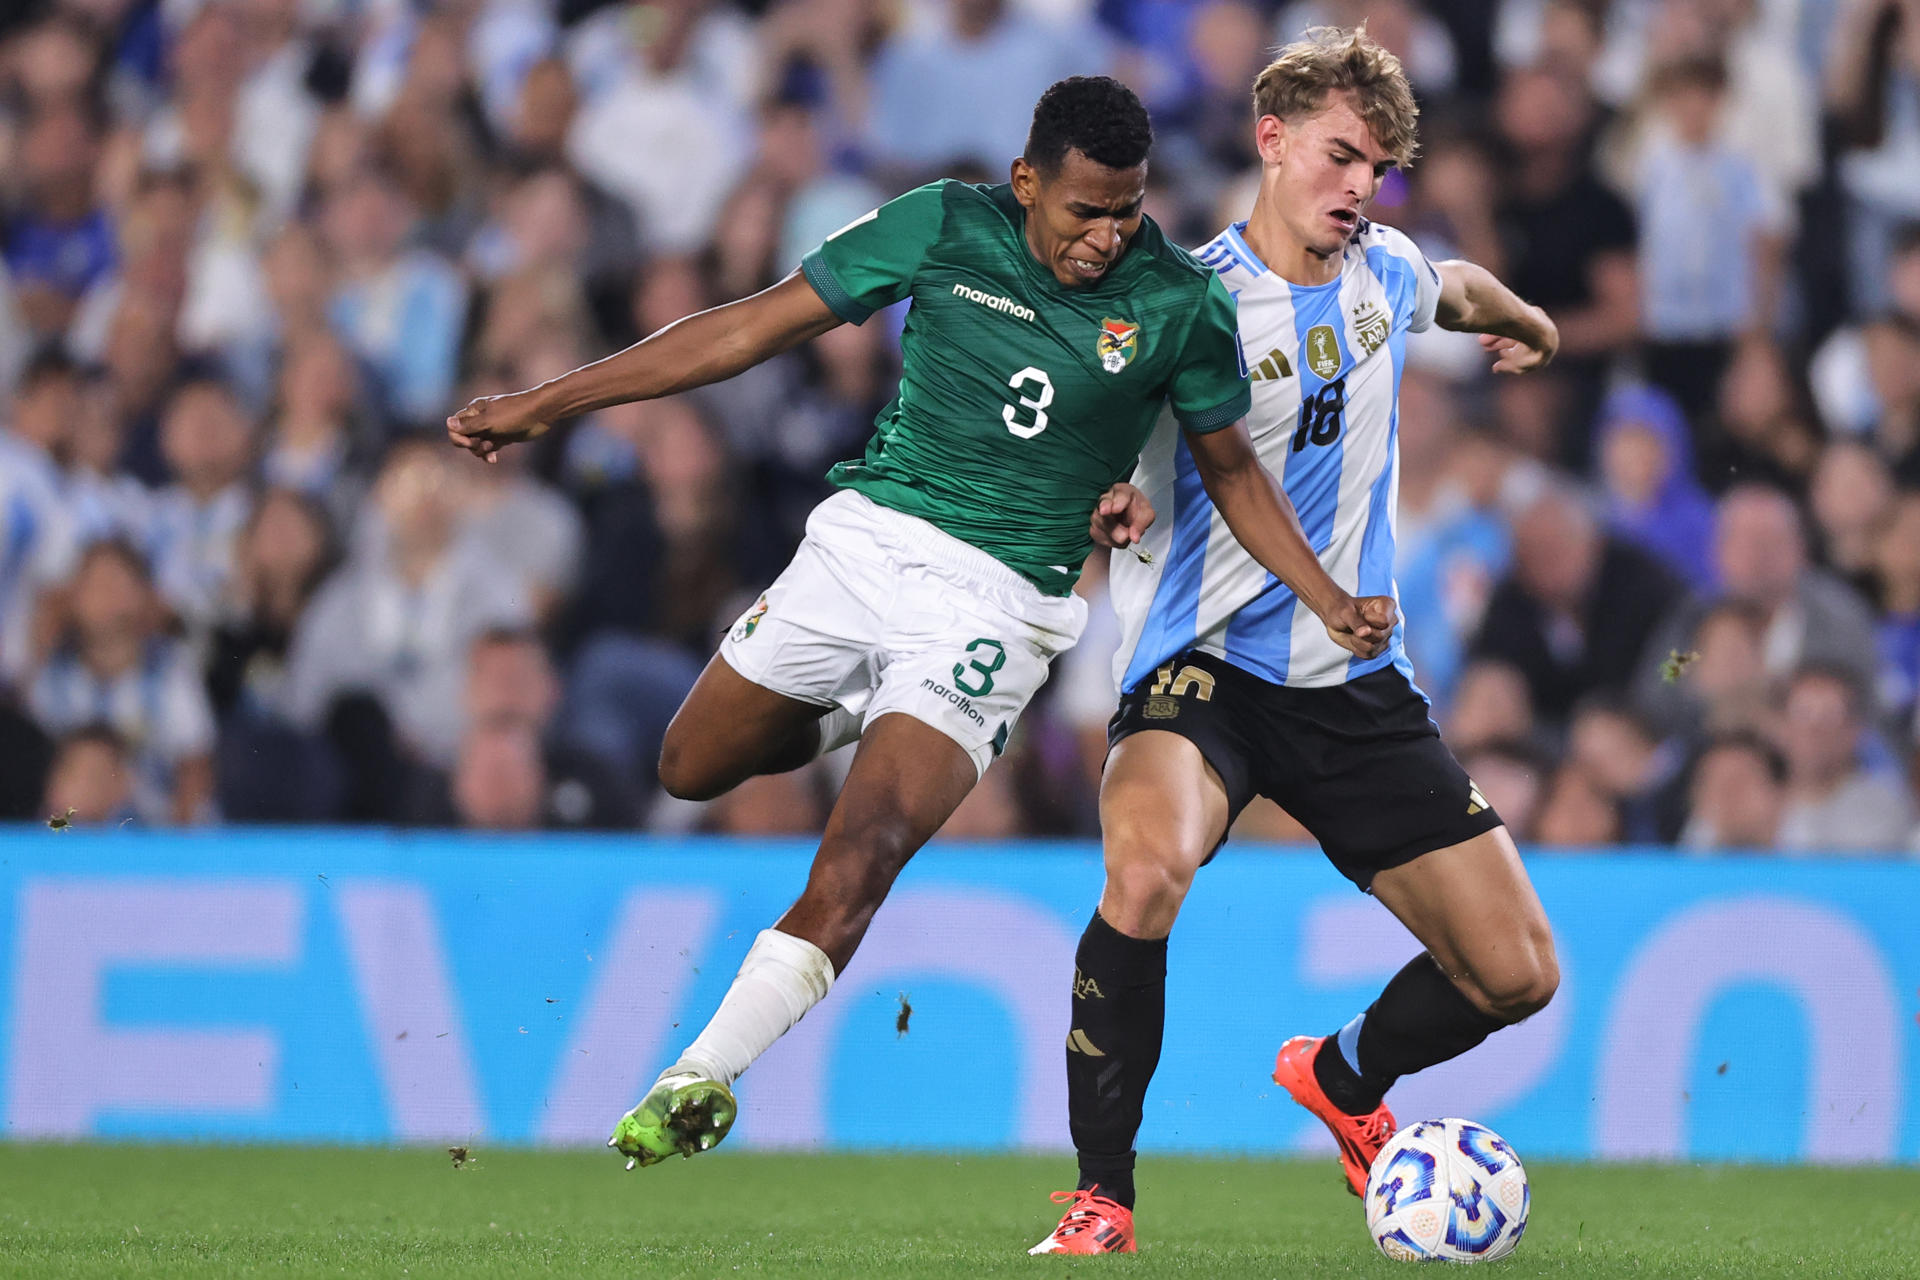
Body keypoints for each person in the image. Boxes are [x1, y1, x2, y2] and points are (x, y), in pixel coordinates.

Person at [446, 76, 1392, 1171]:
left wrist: (1323, 594)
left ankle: (697, 1074)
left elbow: (1229, 469)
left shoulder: (1180, 305)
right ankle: (860, 707)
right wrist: (546, 402)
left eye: (1127, 210)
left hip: (999, 604)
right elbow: (751, 326)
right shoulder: (943, 223)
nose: (1106, 236)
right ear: (1026, 181)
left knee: (868, 845)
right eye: (1084, 209)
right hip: (866, 544)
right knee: (690, 763)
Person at [1029, 29, 1561, 1255]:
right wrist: (1109, 492)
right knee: (1146, 871)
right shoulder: (1188, 299)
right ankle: (1102, 1195)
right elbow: (1094, 426)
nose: (1359, 187)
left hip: (1356, 682)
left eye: (1376, 167)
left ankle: (1343, 1074)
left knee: (1515, 971)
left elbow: (1462, 286)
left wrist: (1528, 320)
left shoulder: (1383, 273)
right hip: (1201, 668)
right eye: (1339, 157)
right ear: (1270, 141)